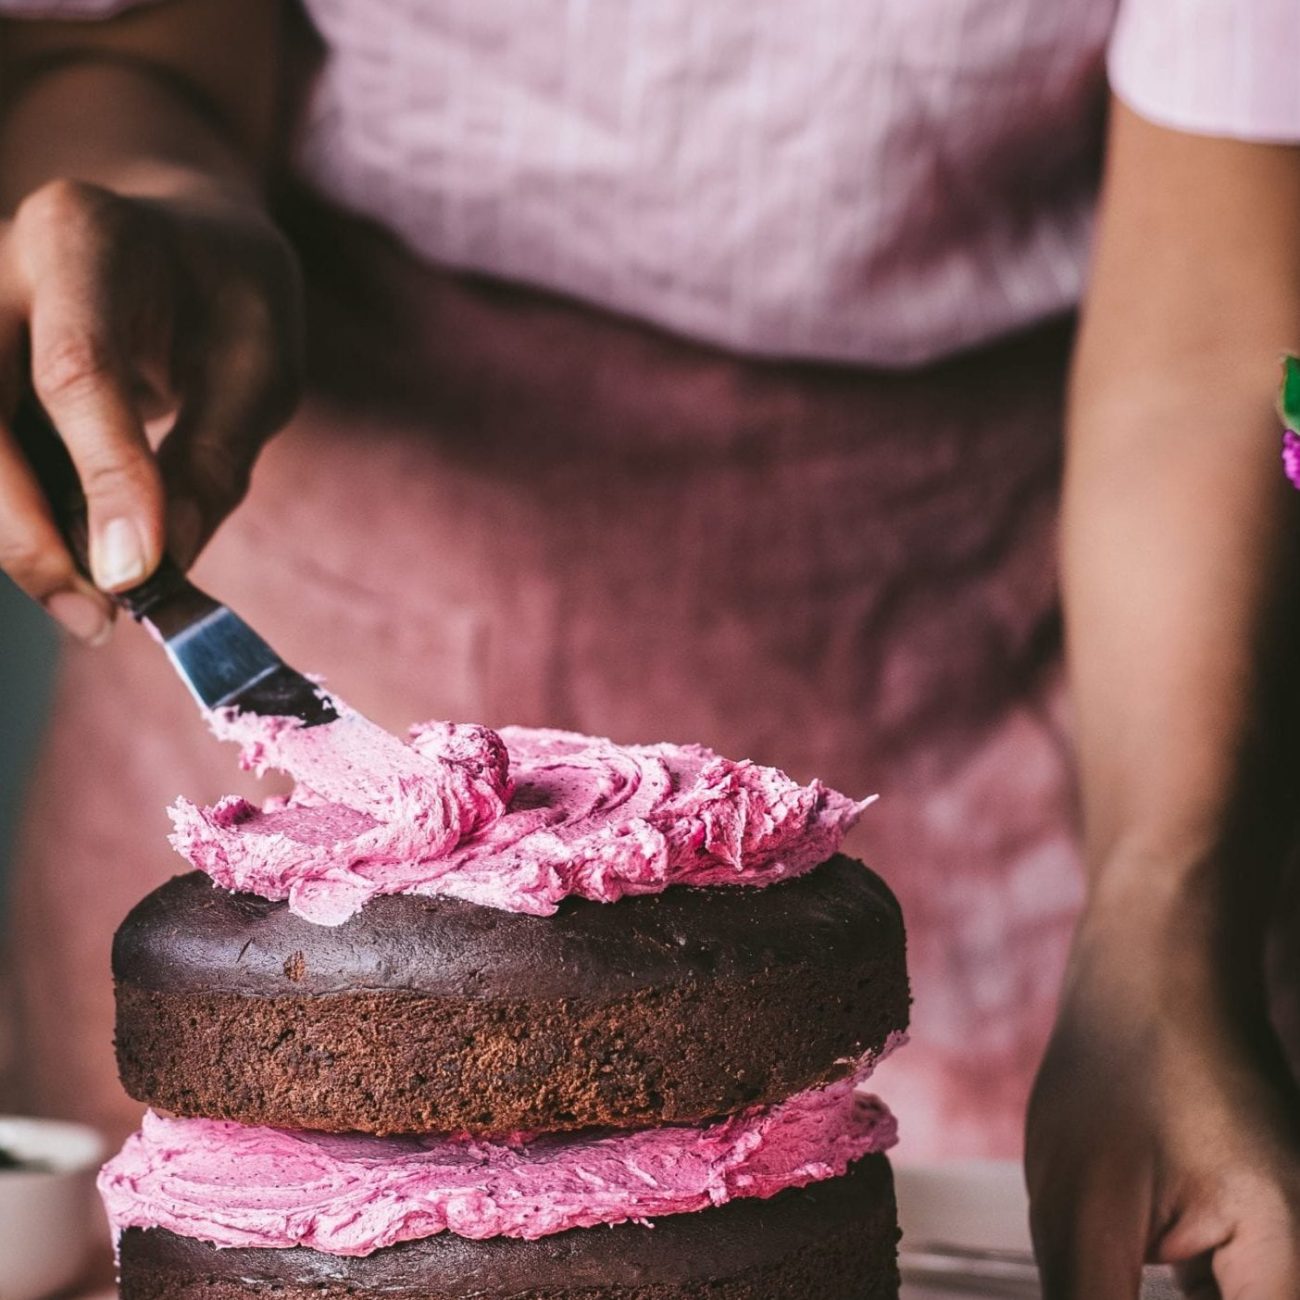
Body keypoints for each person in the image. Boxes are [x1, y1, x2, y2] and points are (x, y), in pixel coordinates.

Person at [0, 1, 1297, 1294]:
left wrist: (1167, 922)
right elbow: (134, 43)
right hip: (317, 533)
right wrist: (150, 183)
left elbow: (1211, 342)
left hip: (1007, 644)